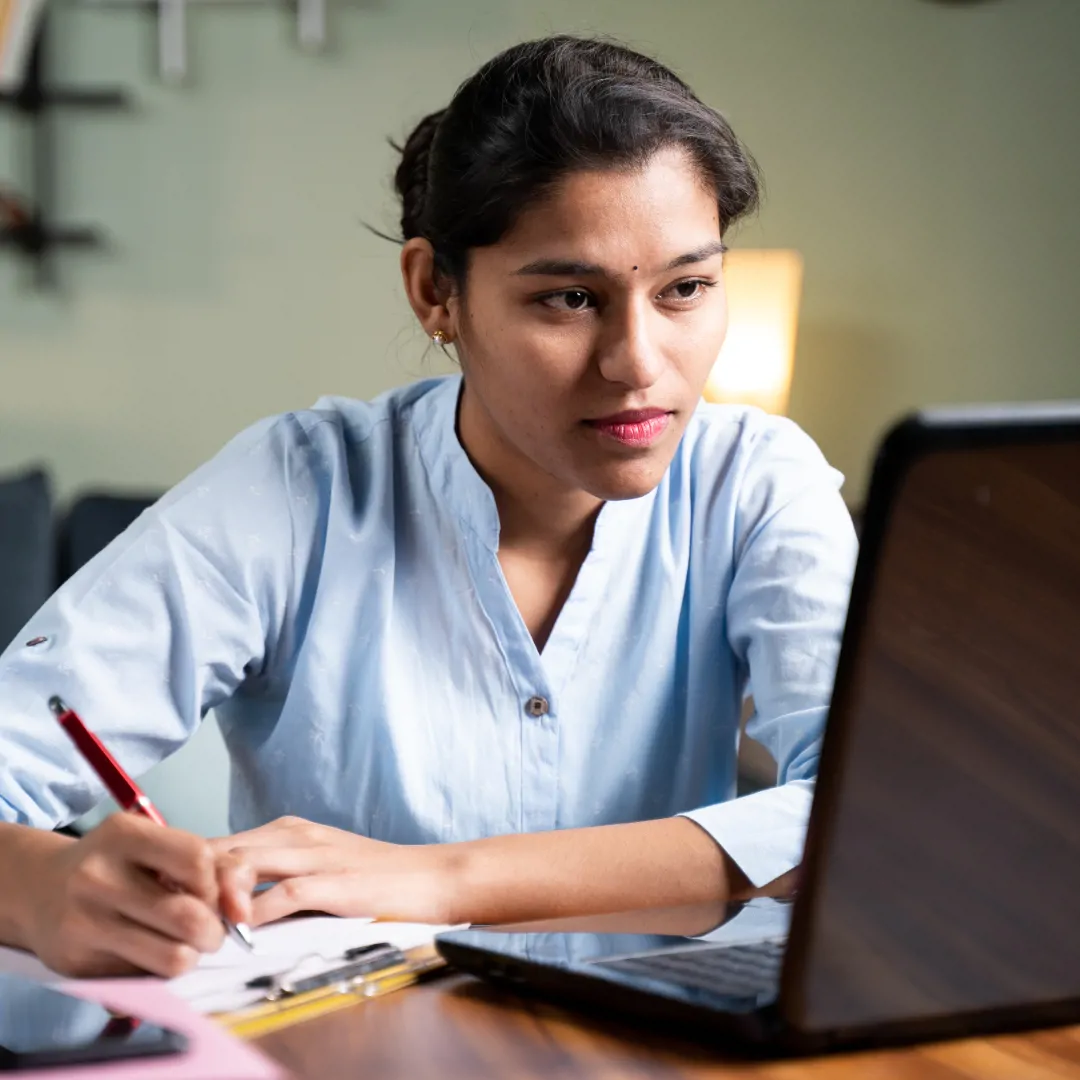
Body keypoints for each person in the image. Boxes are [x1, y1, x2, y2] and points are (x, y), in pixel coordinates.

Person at [0, 35, 856, 978]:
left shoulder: (758, 479)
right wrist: (46, 888)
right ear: (434, 291)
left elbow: (867, 815)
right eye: (570, 299)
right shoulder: (295, 491)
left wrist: (442, 880)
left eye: (686, 289)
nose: (638, 364)